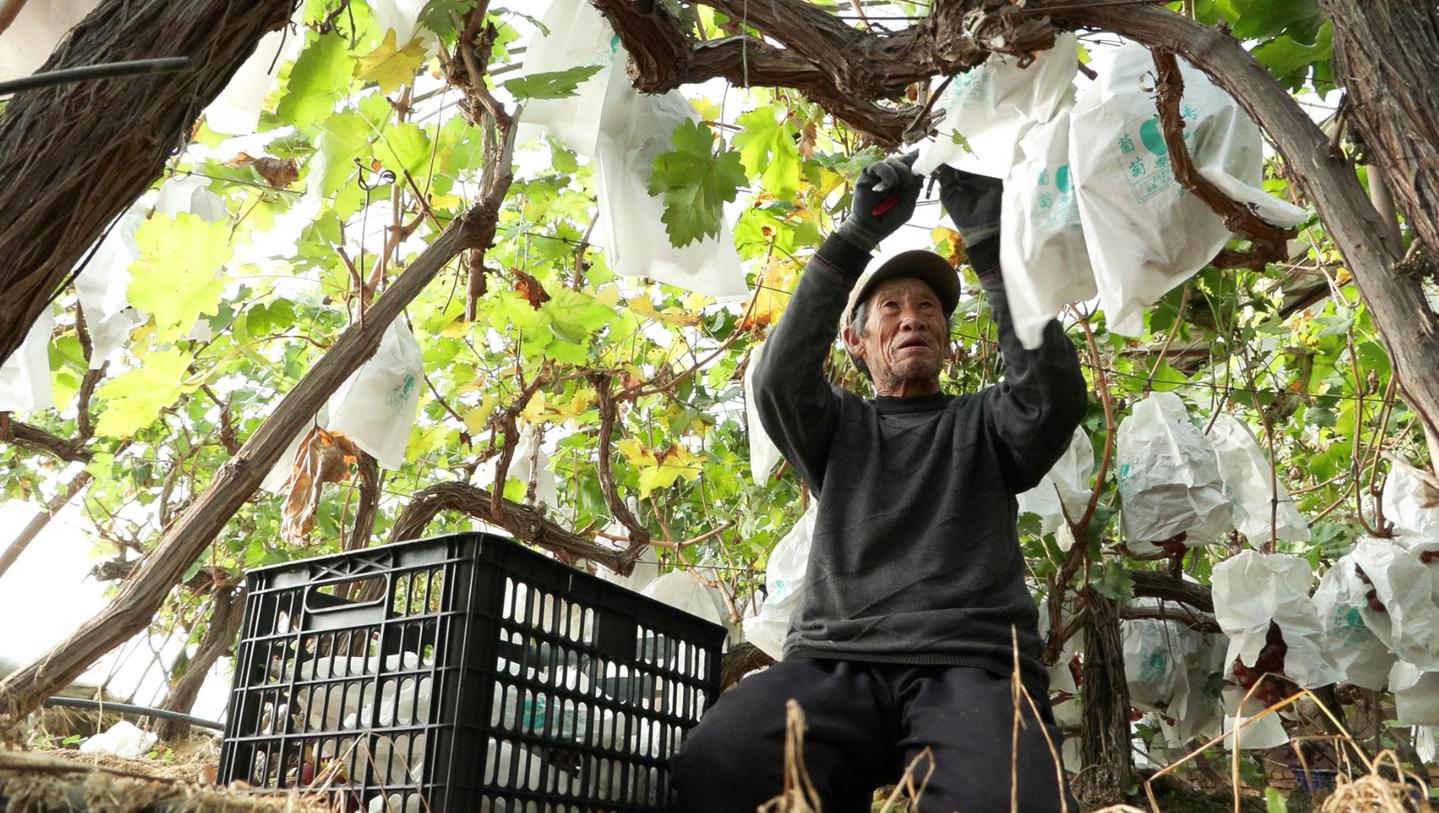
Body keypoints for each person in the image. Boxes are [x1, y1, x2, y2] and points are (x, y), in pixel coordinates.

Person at [669, 154, 1088, 813]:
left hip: (971, 666)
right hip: (835, 664)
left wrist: (990, 241)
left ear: (948, 340)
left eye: (927, 308)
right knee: (722, 758)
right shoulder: (837, 428)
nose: (911, 317)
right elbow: (777, 380)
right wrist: (853, 235)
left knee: (1007, 799)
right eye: (889, 307)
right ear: (856, 340)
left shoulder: (987, 424)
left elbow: (1051, 394)